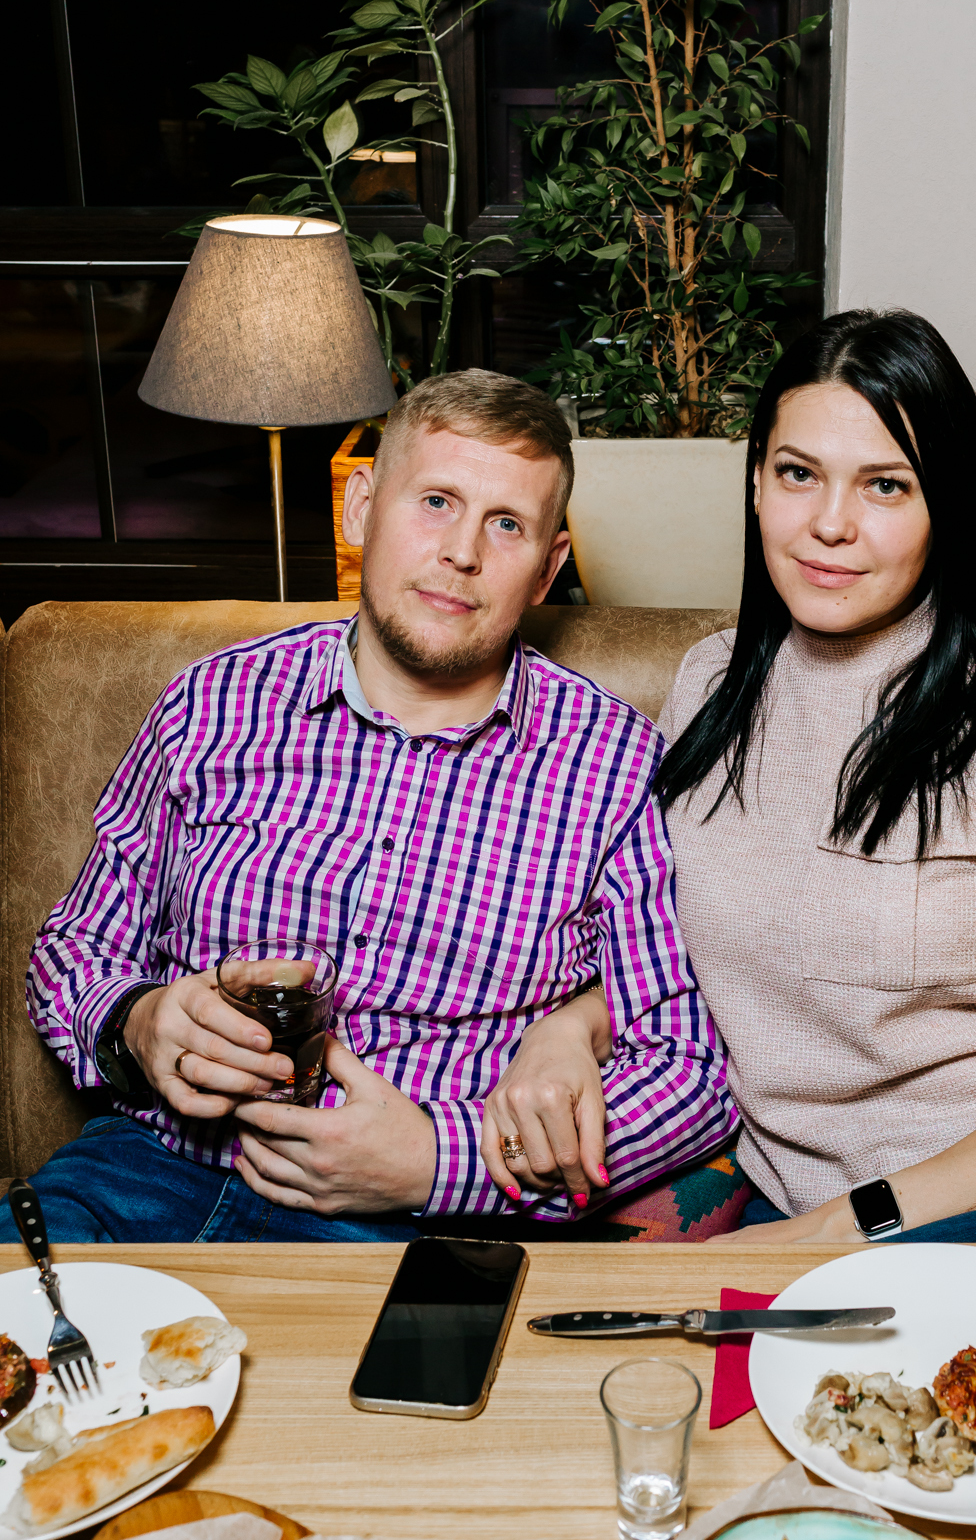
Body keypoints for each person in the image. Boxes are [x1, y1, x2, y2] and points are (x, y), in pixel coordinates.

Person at [485, 312, 976, 1246]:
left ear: (945, 506)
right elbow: (684, 960)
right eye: (799, 474)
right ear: (755, 484)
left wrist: (847, 1225)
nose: (830, 524)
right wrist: (569, 1027)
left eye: (885, 485)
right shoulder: (710, 684)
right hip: (789, 1201)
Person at [12, 370, 734, 1243]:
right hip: (147, 1168)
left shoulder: (614, 764)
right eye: (435, 501)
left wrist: (443, 1159)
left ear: (546, 570)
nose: (461, 552)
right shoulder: (212, 701)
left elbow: (690, 1071)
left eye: (505, 524)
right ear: (362, 510)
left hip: (408, 1223)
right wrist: (135, 1024)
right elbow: (75, 945)